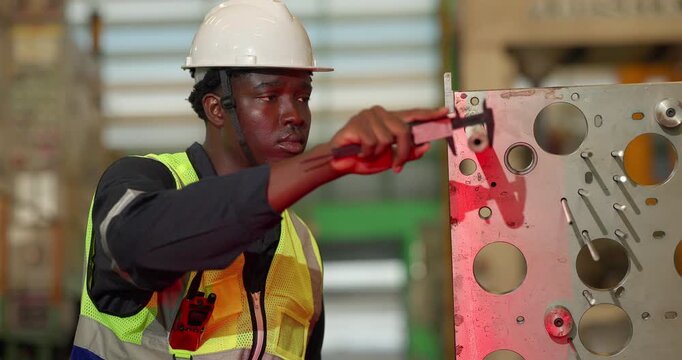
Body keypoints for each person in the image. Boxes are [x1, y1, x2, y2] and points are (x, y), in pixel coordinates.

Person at [70, 0, 447, 359]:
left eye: (303, 97)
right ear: (217, 109)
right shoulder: (141, 181)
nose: (294, 115)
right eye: (270, 97)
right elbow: (141, 244)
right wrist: (327, 160)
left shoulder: (301, 246)